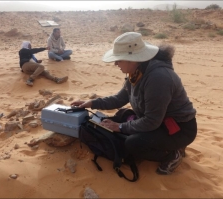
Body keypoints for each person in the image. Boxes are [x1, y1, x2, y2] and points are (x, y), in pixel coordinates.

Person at [71, 32, 197, 175]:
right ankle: (166, 145)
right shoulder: (137, 73)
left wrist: (120, 127)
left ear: (132, 59)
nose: (115, 64)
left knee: (133, 143)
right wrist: (91, 103)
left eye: (118, 59)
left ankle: (172, 155)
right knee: (122, 114)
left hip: (178, 129)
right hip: (160, 123)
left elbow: (151, 121)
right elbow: (119, 99)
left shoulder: (158, 78)